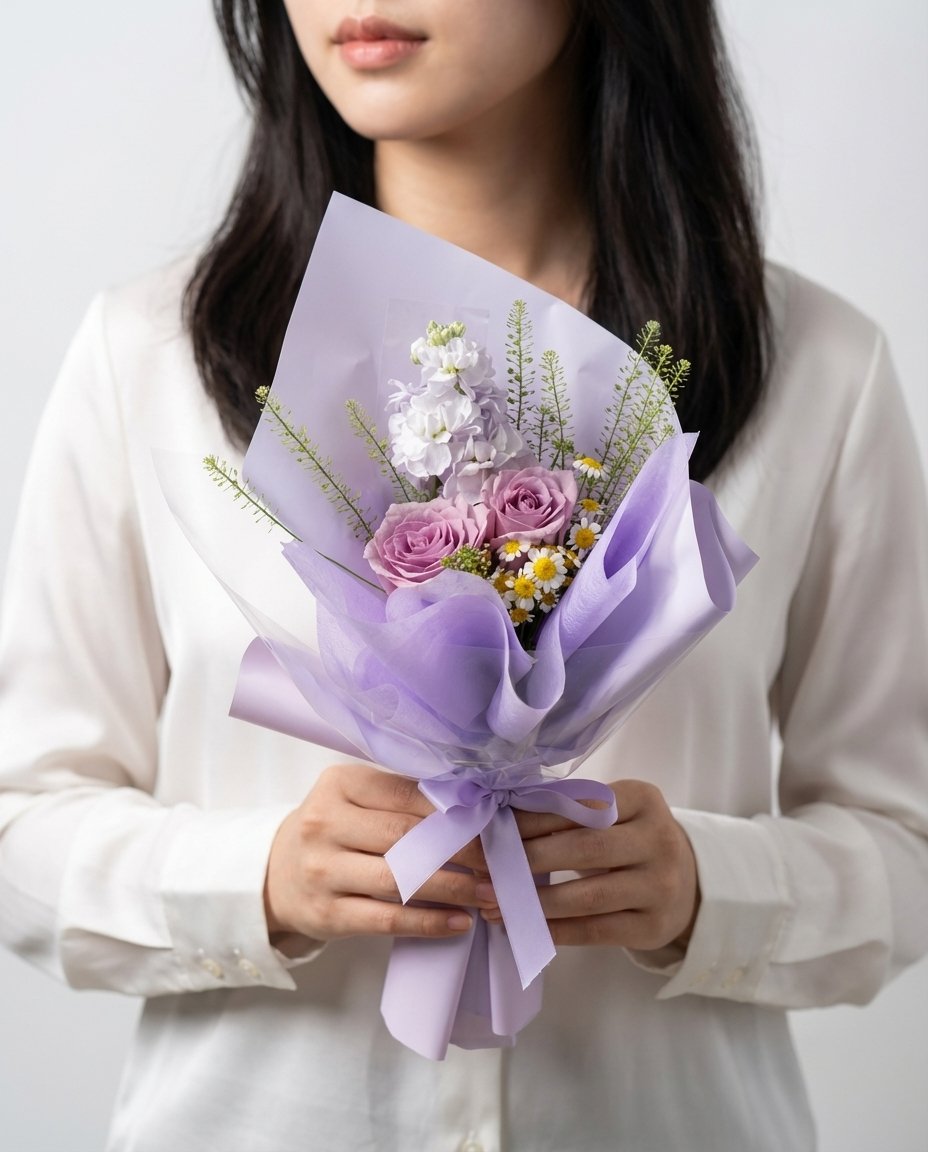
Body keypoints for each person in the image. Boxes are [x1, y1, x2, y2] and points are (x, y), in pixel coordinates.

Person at [1, 2, 926, 1149]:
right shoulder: (142, 359)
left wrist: (706, 889)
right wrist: (261, 880)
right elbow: (21, 820)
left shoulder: (819, 370)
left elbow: (904, 840)